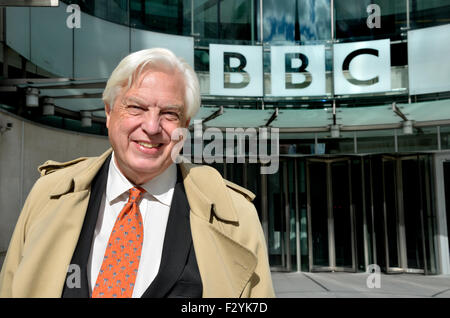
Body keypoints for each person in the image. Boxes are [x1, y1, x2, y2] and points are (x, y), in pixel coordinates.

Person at [0, 48, 275, 298]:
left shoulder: (236, 217)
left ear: (185, 126)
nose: (152, 127)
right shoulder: (48, 194)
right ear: (109, 111)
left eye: (169, 113)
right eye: (136, 107)